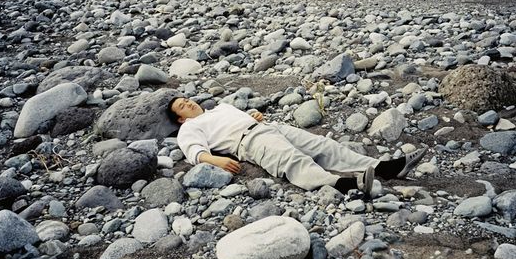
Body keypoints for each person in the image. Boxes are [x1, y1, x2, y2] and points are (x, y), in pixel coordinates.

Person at [168, 97, 427, 197]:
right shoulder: (189, 128)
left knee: (324, 146)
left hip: (270, 127)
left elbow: (236, 118)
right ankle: (345, 185)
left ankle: (384, 168)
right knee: (293, 161)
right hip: (249, 142)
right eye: (182, 106)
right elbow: (194, 152)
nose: (188, 103)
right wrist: (216, 161)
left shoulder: (221, 107)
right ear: (180, 118)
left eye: (186, 100)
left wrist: (253, 115)